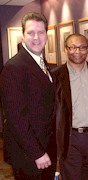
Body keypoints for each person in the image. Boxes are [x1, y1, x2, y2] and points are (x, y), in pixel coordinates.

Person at [0, 12, 57, 180]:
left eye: (41, 32)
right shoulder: (14, 67)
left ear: (47, 35)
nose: (36, 37)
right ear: (23, 35)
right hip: (30, 154)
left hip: (45, 146)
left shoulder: (40, 62)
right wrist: (37, 153)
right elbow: (16, 118)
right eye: (31, 32)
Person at [52, 33, 88, 180]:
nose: (78, 51)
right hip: (69, 137)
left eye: (82, 47)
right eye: (73, 47)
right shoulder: (56, 76)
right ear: (66, 49)